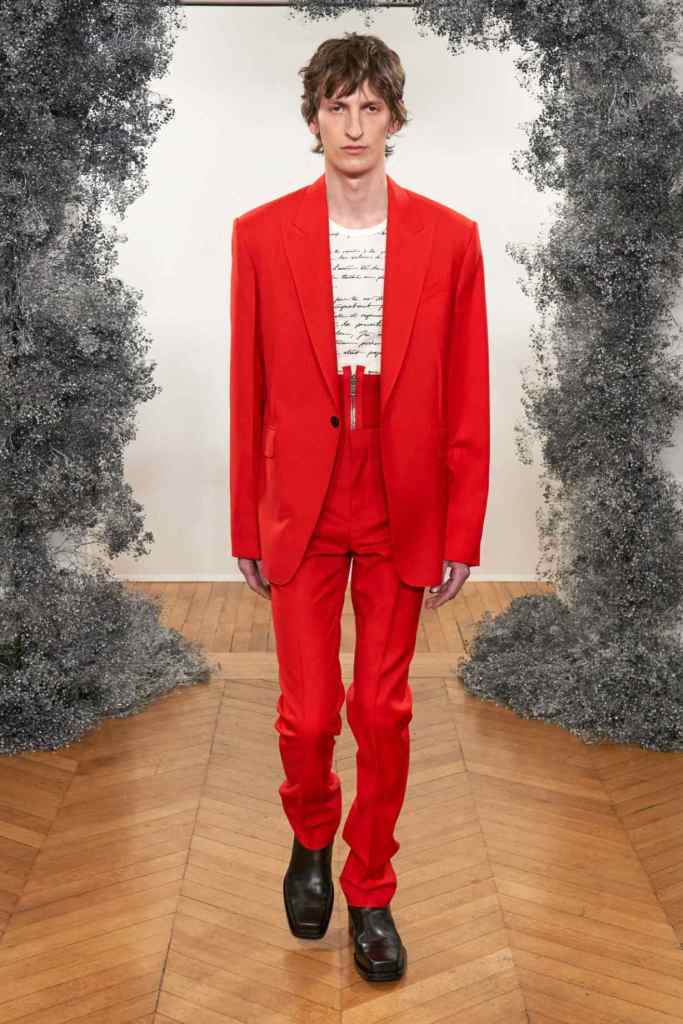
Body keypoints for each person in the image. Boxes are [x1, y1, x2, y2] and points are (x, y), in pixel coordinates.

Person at [229, 31, 490, 983]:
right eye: (336, 106)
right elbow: (248, 385)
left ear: (393, 118)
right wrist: (244, 520)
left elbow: (466, 389)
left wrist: (461, 525)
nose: (352, 125)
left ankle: (370, 890)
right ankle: (310, 837)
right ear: (313, 118)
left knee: (381, 711)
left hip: (401, 498)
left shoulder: (450, 238)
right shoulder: (260, 234)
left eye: (369, 106)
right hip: (301, 502)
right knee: (307, 718)